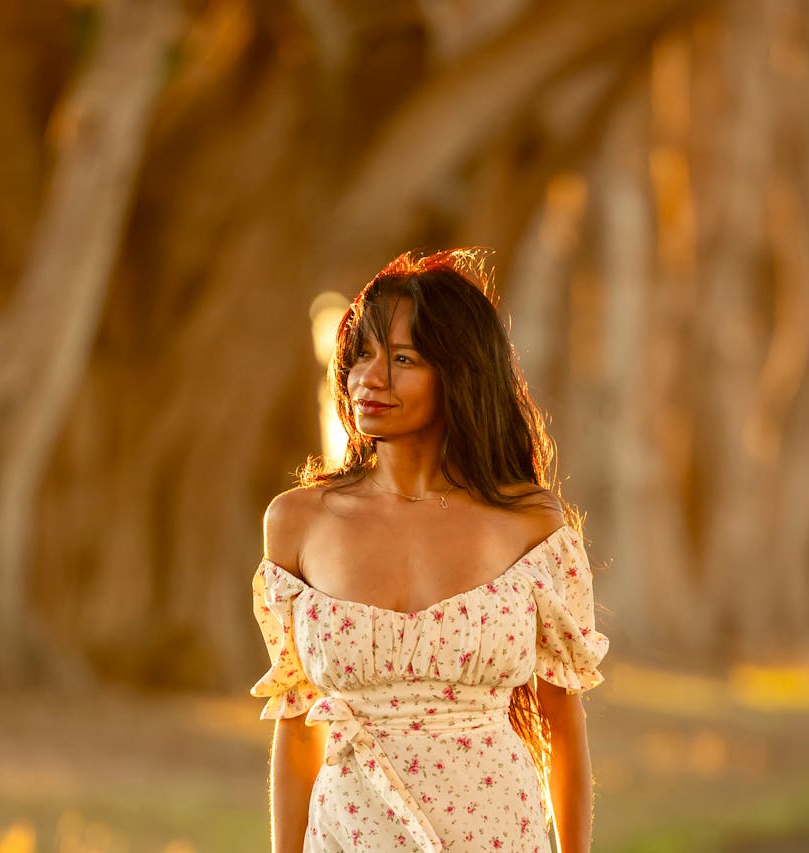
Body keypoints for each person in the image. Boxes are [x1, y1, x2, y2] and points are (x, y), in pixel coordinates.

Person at [251, 249, 610, 852]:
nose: (369, 378)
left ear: (459, 372)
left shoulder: (531, 524)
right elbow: (296, 727)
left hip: (497, 832)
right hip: (351, 830)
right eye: (361, 354)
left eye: (402, 359)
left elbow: (562, 727)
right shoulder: (297, 521)